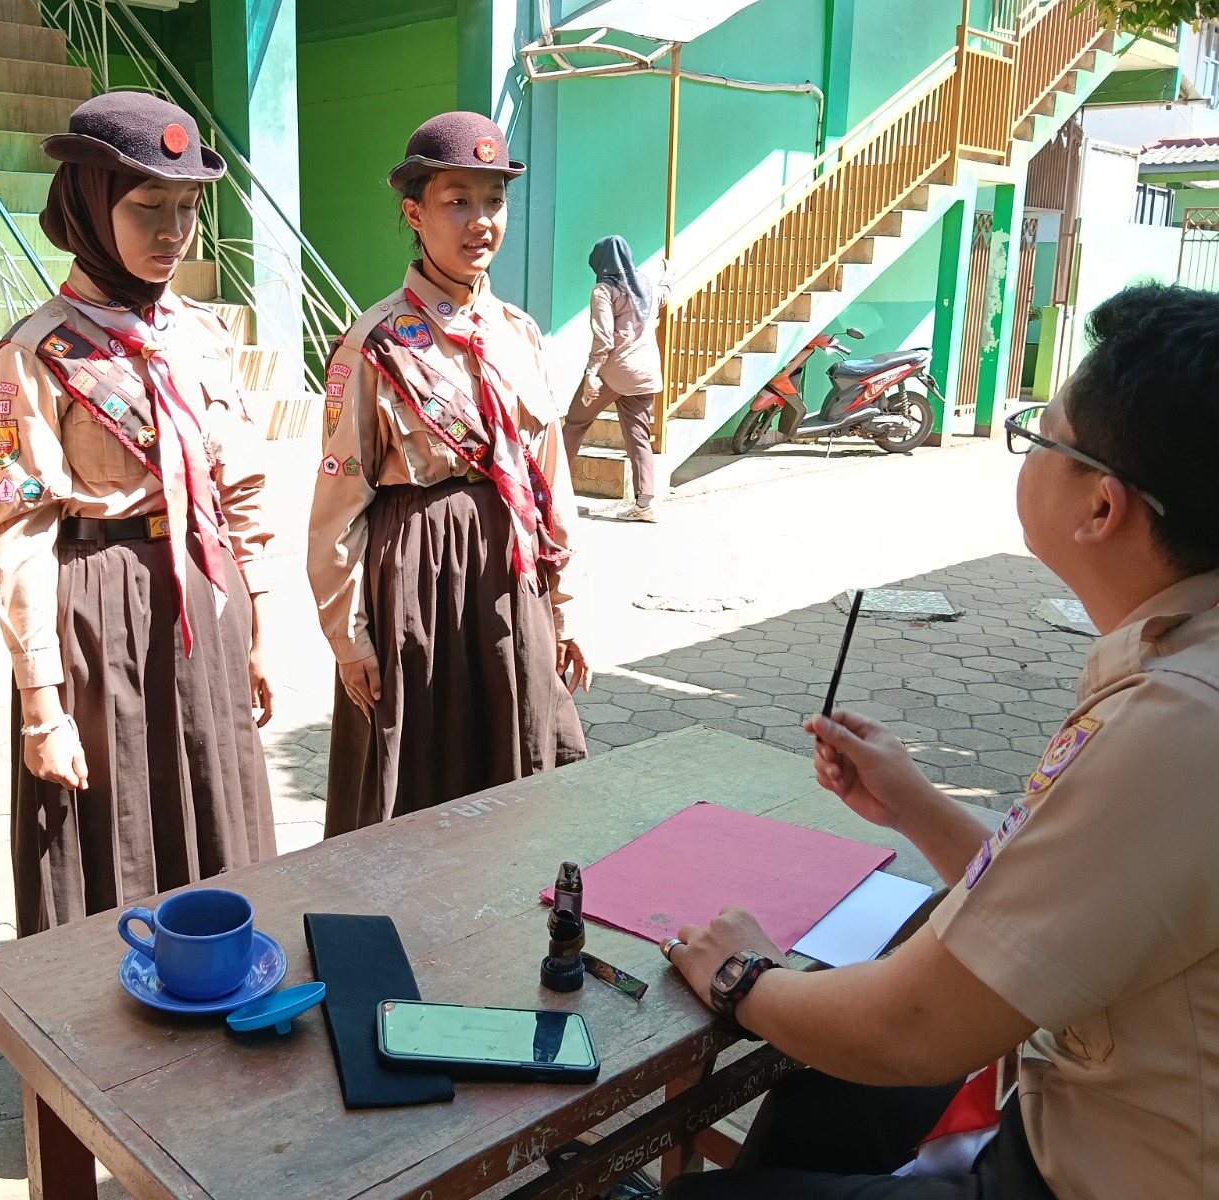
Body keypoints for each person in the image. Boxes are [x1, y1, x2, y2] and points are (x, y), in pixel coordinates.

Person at [660, 283, 1219, 1198]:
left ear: (1102, 509)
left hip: (1090, 1174)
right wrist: (915, 805)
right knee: (826, 1090)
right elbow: (1063, 904)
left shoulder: (1175, 725)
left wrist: (742, 976)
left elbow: (912, 1024)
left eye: (1043, 435)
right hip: (1091, 1112)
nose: (1027, 449)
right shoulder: (1184, 666)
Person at [0, 91, 275, 937]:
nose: (173, 230)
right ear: (86, 205)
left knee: (216, 808)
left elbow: (239, 487)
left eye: (186, 207)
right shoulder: (34, 355)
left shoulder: (205, 334)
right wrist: (42, 701)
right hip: (97, 617)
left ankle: (220, 999)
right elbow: (20, 532)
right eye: (148, 206)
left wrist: (254, 623)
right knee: (116, 838)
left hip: (201, 600)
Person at [307, 110, 589, 836]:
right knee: (418, 778)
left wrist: (562, 608)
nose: (479, 221)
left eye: (493, 200)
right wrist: (351, 638)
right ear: (414, 213)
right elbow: (339, 503)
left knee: (516, 754)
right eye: (456, 200)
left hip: (509, 578)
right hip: (419, 582)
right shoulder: (372, 345)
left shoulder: (520, 334)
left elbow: (549, 479)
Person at [562, 235, 667, 523]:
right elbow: (662, 296)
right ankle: (645, 503)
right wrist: (668, 278)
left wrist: (591, 373)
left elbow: (603, 337)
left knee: (574, 423)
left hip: (615, 371)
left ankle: (550, 490)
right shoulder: (644, 283)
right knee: (639, 436)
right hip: (646, 373)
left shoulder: (604, 291)